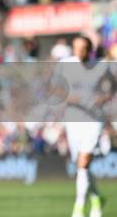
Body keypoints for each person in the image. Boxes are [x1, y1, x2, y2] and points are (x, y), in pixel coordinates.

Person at [53, 36, 113, 217]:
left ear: (90, 50)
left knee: (84, 161)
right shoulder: (65, 64)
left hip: (93, 120)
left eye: (83, 48)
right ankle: (97, 198)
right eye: (76, 48)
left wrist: (102, 98)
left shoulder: (101, 66)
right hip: (73, 119)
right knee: (80, 166)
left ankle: (78, 207)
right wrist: (75, 99)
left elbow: (112, 89)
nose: (79, 52)